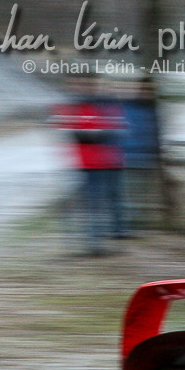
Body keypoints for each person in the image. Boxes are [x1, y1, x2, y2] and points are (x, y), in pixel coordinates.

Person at [52, 74, 126, 253]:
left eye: (88, 84)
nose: (83, 88)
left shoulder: (103, 105)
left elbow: (116, 130)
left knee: (96, 203)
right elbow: (65, 130)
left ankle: (93, 242)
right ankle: (83, 241)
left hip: (101, 162)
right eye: (79, 84)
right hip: (79, 162)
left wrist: (93, 133)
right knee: (81, 203)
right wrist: (93, 133)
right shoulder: (70, 106)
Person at [116, 77, 163, 229]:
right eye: (144, 89)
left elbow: (156, 134)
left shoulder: (154, 109)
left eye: (149, 90)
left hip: (147, 157)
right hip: (129, 156)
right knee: (127, 193)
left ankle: (135, 224)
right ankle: (126, 226)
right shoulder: (128, 107)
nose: (146, 92)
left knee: (140, 193)